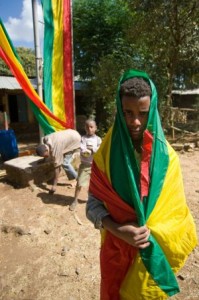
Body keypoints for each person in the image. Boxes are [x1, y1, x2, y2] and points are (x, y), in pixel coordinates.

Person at [86, 69, 197, 300]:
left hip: (150, 253)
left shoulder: (167, 159)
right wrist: (117, 229)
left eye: (143, 113)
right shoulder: (104, 156)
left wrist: (153, 229)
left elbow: (174, 214)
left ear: (152, 110)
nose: (135, 121)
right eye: (128, 112)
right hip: (115, 252)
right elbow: (92, 205)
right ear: (119, 109)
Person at [69, 119, 102, 211]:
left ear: (95, 128)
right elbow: (82, 150)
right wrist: (87, 151)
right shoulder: (83, 139)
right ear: (85, 128)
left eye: (91, 127)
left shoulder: (98, 139)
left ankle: (93, 201)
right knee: (79, 183)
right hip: (85, 165)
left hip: (95, 166)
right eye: (87, 127)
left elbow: (99, 150)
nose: (89, 129)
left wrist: (93, 150)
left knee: (94, 185)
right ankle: (75, 200)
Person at [36, 129, 81, 194]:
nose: (45, 157)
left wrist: (54, 185)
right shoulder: (45, 139)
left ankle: (78, 179)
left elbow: (57, 168)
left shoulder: (55, 150)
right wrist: (43, 160)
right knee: (60, 158)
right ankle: (74, 178)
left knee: (65, 163)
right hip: (71, 132)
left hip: (75, 141)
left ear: (46, 150)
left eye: (45, 156)